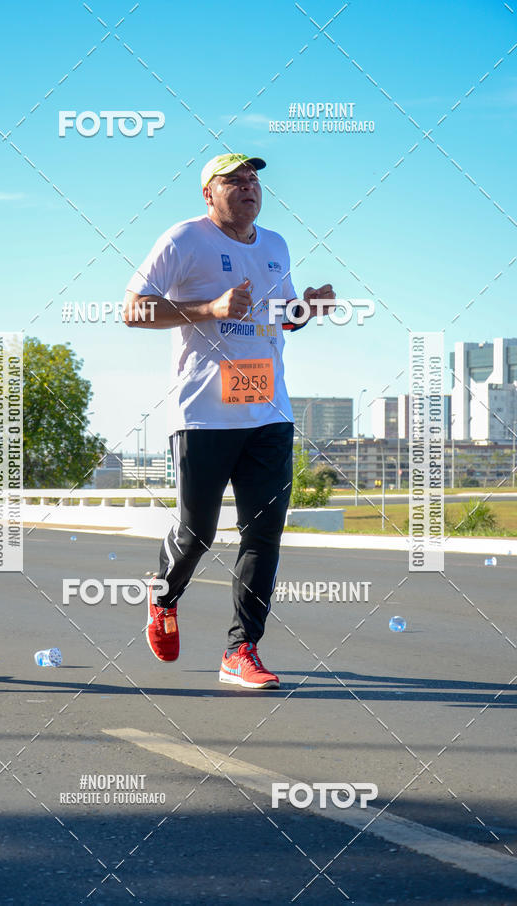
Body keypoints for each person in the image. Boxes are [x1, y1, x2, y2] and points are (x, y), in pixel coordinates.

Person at [124, 153, 335, 689]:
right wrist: (208, 309)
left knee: (263, 534)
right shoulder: (183, 240)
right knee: (198, 531)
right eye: (234, 181)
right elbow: (133, 309)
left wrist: (304, 310)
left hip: (269, 411)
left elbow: (277, 318)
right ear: (207, 194)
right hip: (203, 415)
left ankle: (242, 649)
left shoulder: (276, 245)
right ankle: (164, 594)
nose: (248, 188)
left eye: (254, 180)